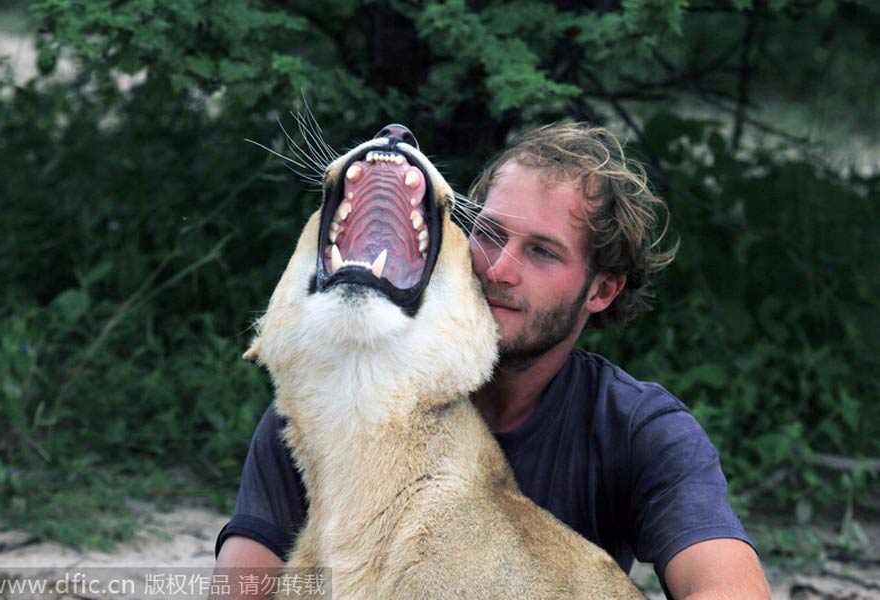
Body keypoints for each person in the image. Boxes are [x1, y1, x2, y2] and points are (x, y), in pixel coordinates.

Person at [212, 123, 771, 599]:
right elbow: (244, 588)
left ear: (601, 291)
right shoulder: (342, 399)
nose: (500, 269)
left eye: (542, 252)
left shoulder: (637, 426)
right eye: (489, 232)